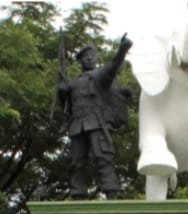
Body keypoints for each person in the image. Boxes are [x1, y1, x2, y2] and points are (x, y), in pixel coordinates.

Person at [57, 36, 133, 200]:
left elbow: (113, 67)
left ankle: (111, 190)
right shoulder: (74, 83)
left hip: (97, 122)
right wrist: (62, 92)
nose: (89, 58)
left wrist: (122, 50)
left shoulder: (100, 76)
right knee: (76, 162)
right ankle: (77, 192)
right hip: (78, 124)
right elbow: (66, 108)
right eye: (86, 56)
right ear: (81, 61)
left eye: (92, 55)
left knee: (103, 156)